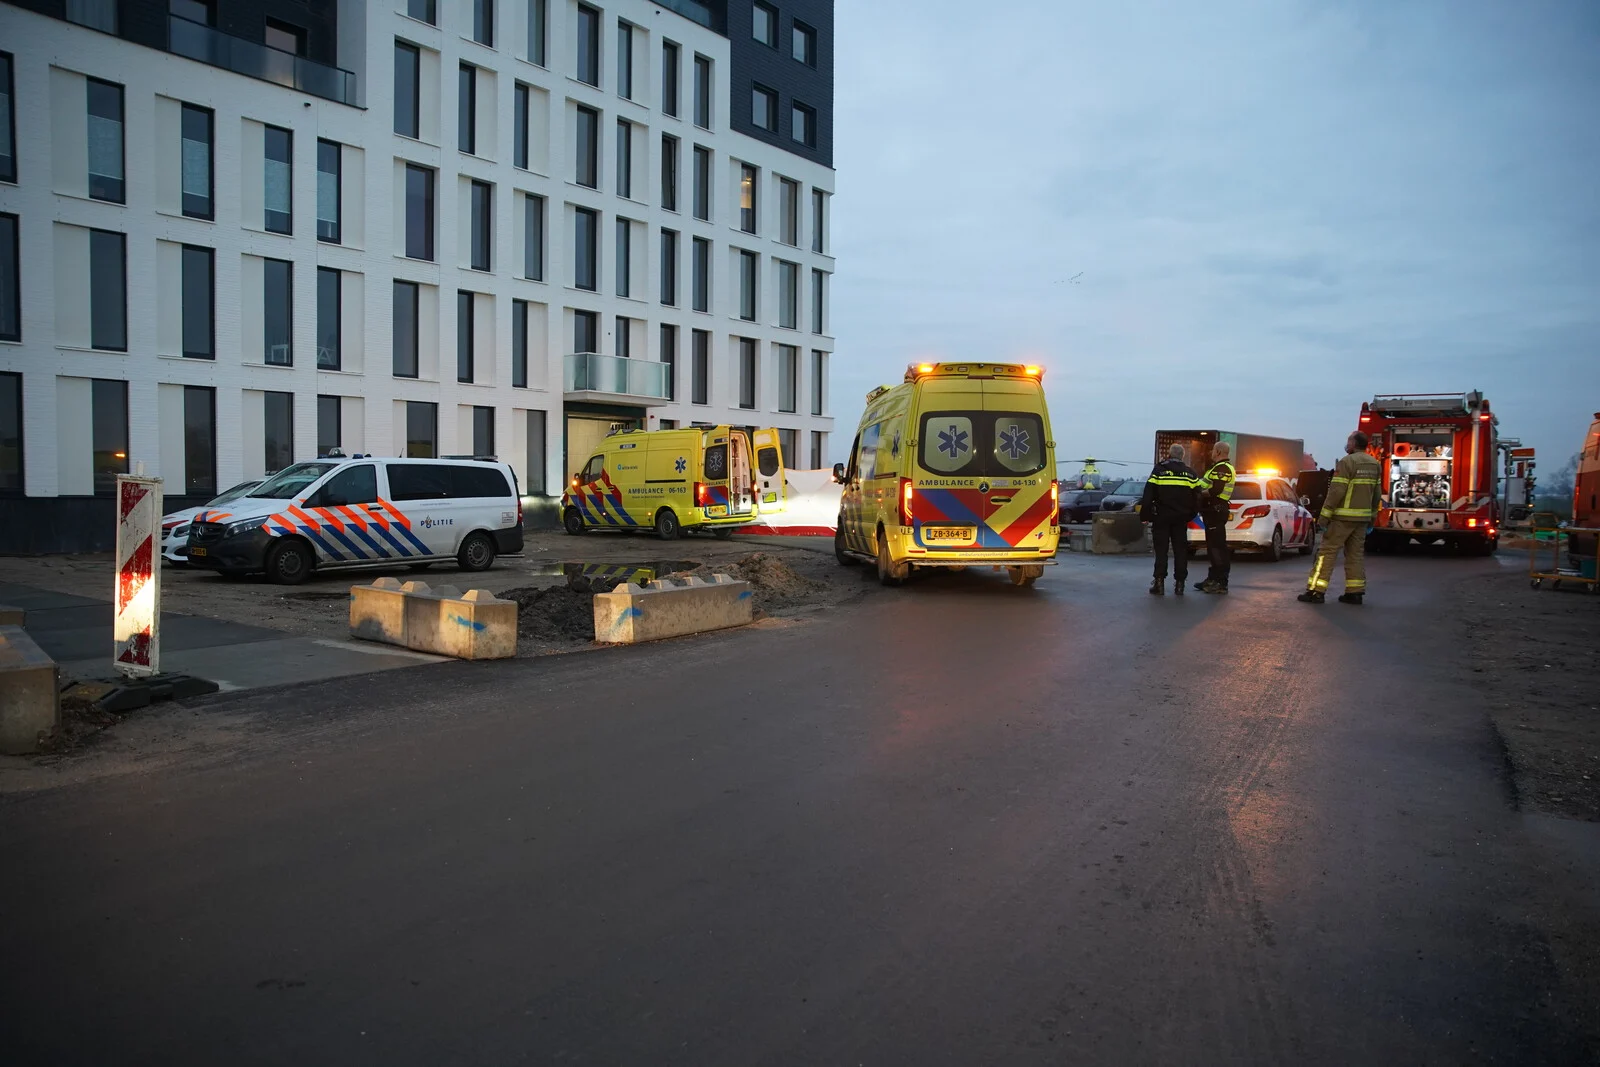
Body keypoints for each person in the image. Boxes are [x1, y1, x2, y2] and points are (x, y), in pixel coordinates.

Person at [1299, 430, 1382, 605]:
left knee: (1326, 554)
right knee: (1355, 555)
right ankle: (1355, 592)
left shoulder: (1347, 462)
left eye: (1349, 441)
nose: (1347, 444)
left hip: (1342, 518)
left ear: (1353, 444)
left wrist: (1324, 517)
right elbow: (1377, 494)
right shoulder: (1374, 464)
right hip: (1362, 519)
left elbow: (1336, 491)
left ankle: (1316, 591)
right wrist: (1372, 517)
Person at [1140, 444, 1202, 596]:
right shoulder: (1191, 474)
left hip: (1161, 517)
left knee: (1161, 551)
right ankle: (1180, 584)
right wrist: (1190, 515)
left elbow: (1147, 495)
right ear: (1182, 456)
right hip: (1181, 519)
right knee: (1180, 550)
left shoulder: (1159, 471)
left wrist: (1145, 516)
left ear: (1169, 454)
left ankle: (1159, 583)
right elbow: (1198, 497)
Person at [1195, 441, 1236, 594]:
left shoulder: (1222, 468)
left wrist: (1197, 494)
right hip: (1212, 510)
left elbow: (1215, 490)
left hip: (1216, 509)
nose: (1211, 452)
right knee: (1213, 546)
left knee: (1217, 547)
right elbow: (1203, 484)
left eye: (1213, 450)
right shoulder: (1216, 468)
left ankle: (1220, 581)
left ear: (1218, 451)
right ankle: (1212, 578)